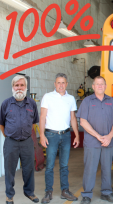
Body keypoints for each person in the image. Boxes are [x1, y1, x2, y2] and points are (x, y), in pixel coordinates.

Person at [77, 76, 113, 204]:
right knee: (90, 168)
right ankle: (86, 195)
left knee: (107, 168)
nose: (100, 86)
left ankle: (106, 193)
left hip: (108, 141)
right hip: (92, 142)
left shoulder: (111, 101)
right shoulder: (87, 101)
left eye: (102, 84)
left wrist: (110, 136)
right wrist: (97, 136)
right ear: (93, 86)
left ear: (105, 86)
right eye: (97, 84)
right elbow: (83, 121)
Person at [39, 73, 80, 203]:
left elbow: (73, 118)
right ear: (54, 84)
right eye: (58, 82)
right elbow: (42, 117)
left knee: (64, 165)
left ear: (66, 84)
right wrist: (41, 135)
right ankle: (48, 192)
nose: (61, 85)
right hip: (51, 135)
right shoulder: (48, 97)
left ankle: (65, 191)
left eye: (63, 83)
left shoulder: (71, 98)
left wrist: (77, 135)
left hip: (66, 135)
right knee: (50, 165)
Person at [0, 75, 39, 204]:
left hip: (27, 142)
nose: (19, 88)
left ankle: (29, 193)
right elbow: (1, 123)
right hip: (11, 142)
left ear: (26, 88)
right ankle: (9, 195)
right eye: (16, 85)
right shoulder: (6, 103)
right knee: (9, 170)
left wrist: (25, 133)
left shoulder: (31, 103)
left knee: (29, 169)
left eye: (22, 85)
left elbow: (34, 123)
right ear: (13, 87)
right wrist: (9, 135)